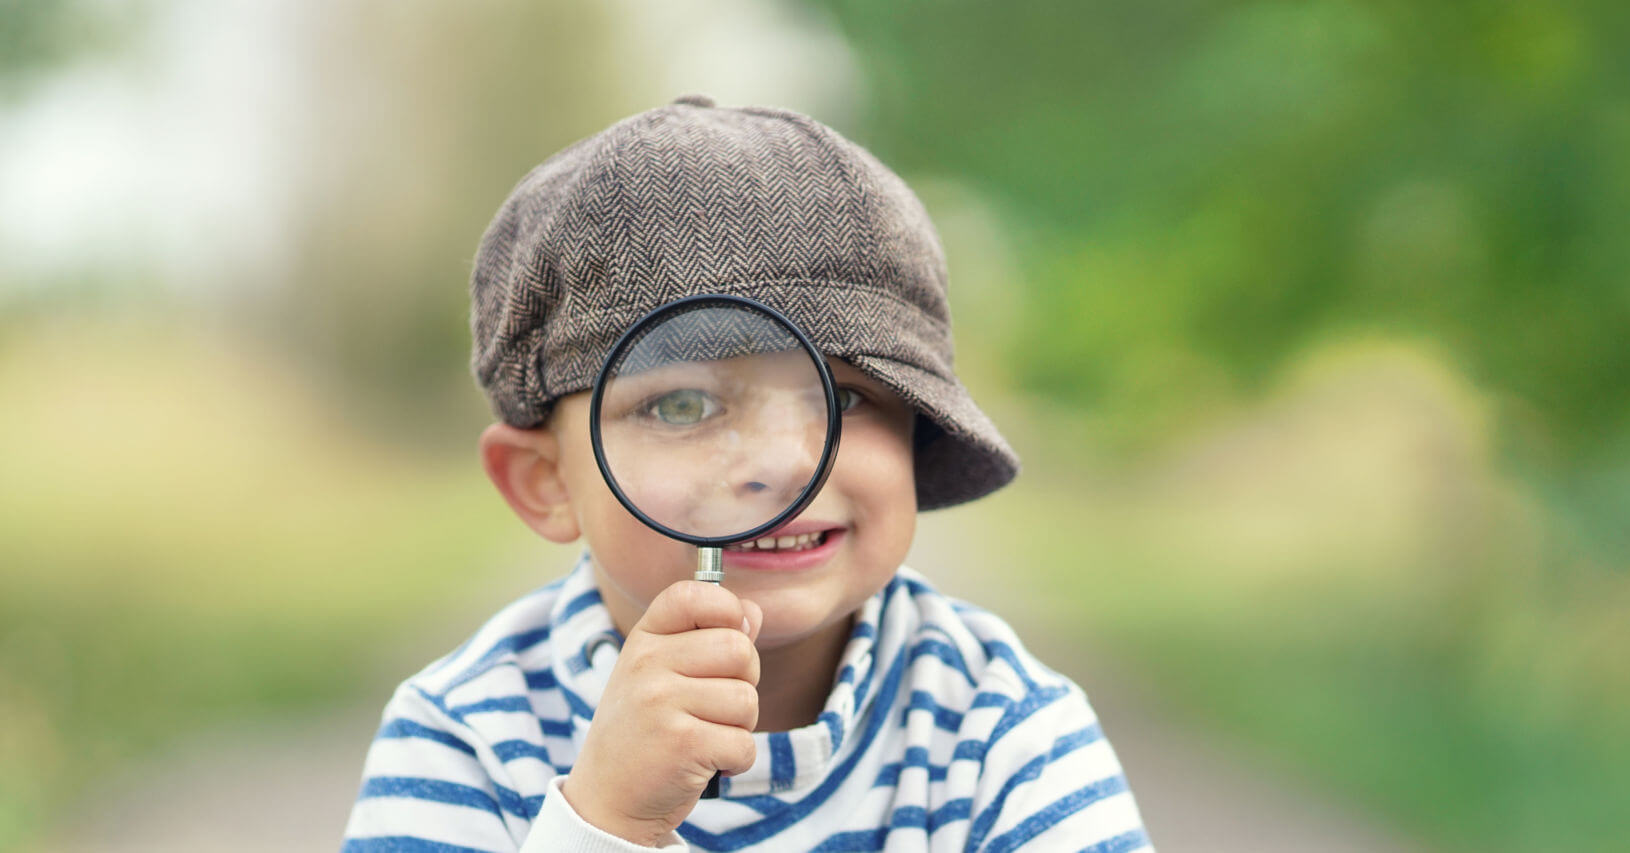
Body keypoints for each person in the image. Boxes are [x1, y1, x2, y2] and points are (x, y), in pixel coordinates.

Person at [339, 94, 1153, 852]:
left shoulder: (1004, 729)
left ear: (918, 428)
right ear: (544, 480)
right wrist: (606, 821)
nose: (781, 463)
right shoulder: (465, 735)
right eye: (683, 405)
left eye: (845, 394)